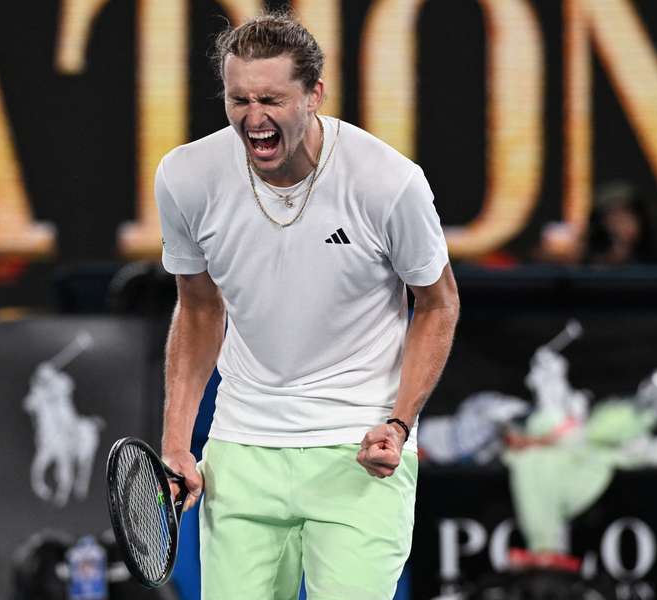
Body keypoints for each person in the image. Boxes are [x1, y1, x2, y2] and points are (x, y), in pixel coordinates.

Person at [155, 11, 459, 599]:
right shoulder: (185, 177)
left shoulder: (387, 182)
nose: (253, 117)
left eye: (271, 98)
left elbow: (438, 304)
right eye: (238, 99)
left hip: (357, 452)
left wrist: (398, 423)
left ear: (315, 94)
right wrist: (176, 443)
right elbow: (197, 307)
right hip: (241, 451)